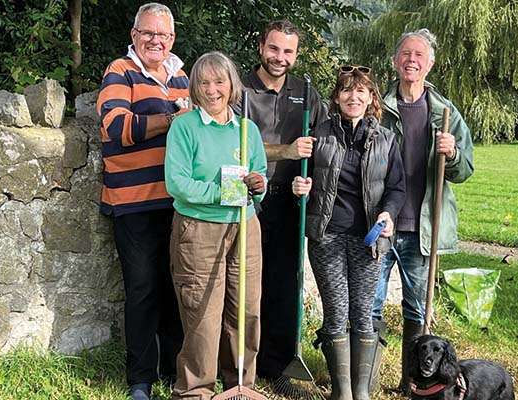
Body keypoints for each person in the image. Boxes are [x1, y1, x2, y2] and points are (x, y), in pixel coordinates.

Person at [370, 28, 475, 394]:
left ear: (430, 64)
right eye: (406, 54)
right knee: (371, 305)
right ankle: (366, 383)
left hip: (421, 229)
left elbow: (465, 170)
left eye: (419, 55)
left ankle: (411, 385)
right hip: (381, 224)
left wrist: (453, 153)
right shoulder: (379, 108)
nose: (411, 60)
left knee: (416, 310)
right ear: (395, 61)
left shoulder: (445, 113)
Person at [291, 66, 405, 400]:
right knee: (336, 313)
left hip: (368, 240)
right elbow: (302, 178)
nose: (353, 97)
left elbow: (397, 188)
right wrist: (301, 188)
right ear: (337, 97)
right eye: (346, 90)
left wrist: (388, 213)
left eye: (360, 91)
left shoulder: (386, 139)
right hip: (327, 237)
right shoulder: (318, 135)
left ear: (371, 98)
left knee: (363, 314)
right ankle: (341, 393)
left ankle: (361, 392)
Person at [95, 3, 189, 399]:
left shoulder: (181, 76)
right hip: (133, 201)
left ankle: (173, 372)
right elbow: (117, 127)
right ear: (134, 35)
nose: (155, 40)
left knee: (175, 287)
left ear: (172, 39)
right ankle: (140, 380)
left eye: (162, 35)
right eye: (148, 33)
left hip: (177, 201)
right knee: (143, 288)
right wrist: (172, 118)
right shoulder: (120, 71)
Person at [164, 51, 268, 400]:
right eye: (204, 83)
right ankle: (195, 391)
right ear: (194, 87)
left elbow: (260, 175)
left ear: (232, 85)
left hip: (245, 226)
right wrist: (222, 194)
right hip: (199, 230)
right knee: (203, 314)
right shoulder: (184, 128)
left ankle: (241, 386)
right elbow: (177, 183)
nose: (212, 90)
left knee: (246, 310)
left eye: (219, 82)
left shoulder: (247, 130)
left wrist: (259, 184)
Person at [238, 19, 327, 381]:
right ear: (261, 46)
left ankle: (278, 369)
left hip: (290, 203)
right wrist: (287, 151)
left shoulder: (306, 92)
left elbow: (323, 144)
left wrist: (312, 182)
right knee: (243, 284)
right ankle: (239, 364)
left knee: (284, 286)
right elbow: (235, 144)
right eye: (274, 48)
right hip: (246, 199)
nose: (280, 57)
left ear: (296, 54)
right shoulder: (238, 88)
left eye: (288, 51)